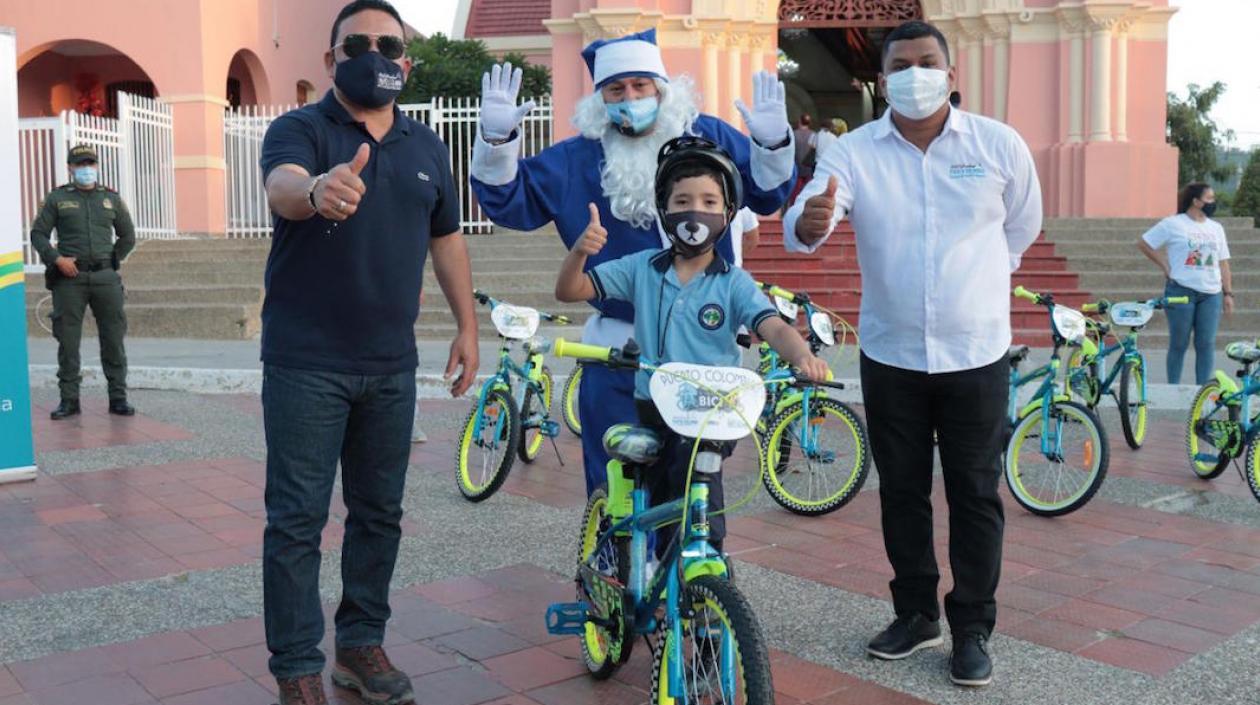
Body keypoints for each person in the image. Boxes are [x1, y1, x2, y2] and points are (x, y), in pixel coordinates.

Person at [784, 20, 1043, 687]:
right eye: (902, 64)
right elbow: (817, 208)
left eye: (928, 61)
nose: (916, 73)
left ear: (951, 73)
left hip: (976, 352)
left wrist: (981, 283)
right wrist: (807, 223)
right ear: (883, 77)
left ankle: (972, 627)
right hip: (892, 352)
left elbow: (1022, 225)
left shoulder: (997, 145)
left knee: (975, 492)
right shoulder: (856, 151)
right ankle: (916, 611)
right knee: (901, 490)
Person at [257, 2, 479, 703]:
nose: (375, 52)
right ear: (330, 59)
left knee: (379, 513)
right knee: (297, 518)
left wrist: (468, 326)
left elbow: (447, 239)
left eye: (390, 44)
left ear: (407, 62)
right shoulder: (300, 129)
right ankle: (296, 664)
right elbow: (283, 186)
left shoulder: (427, 147)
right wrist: (319, 188)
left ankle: (359, 644)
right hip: (306, 361)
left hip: (390, 364)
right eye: (358, 43)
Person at [470, 30, 795, 498]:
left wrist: (770, 144)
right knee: (615, 481)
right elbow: (508, 202)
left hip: (700, 346)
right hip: (617, 350)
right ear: (601, 98)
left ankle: (687, 568)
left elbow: (767, 196)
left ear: (662, 87)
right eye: (616, 89)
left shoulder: (710, 136)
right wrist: (497, 139)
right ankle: (613, 565)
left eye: (641, 85)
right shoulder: (577, 156)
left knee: (694, 486)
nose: (630, 98)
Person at [555, 136, 828, 556]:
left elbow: (771, 326)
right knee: (647, 497)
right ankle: (628, 566)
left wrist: (803, 356)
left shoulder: (734, 282)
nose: (695, 211)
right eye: (681, 201)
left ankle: (701, 575)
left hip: (713, 414)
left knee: (703, 503)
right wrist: (578, 253)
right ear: (663, 210)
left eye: (708, 201)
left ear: (728, 212)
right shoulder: (641, 268)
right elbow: (571, 290)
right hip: (654, 405)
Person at [28, 144, 136, 419]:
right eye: (80, 164)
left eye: (90, 164)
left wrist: (112, 261)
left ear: (96, 166)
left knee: (113, 338)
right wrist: (56, 259)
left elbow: (127, 236)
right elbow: (38, 234)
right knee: (68, 340)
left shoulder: (110, 199)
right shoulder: (57, 198)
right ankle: (69, 400)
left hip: (105, 278)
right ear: (71, 167)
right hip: (69, 279)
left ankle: (118, 398)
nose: (86, 169)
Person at [1138, 182, 1232, 384]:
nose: (1212, 203)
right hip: (1181, 290)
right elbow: (1144, 243)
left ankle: (1202, 391)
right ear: (1196, 201)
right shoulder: (1173, 224)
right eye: (1209, 198)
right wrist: (1164, 264)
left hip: (1211, 293)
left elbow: (1223, 262)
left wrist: (1228, 293)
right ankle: (1173, 388)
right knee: (1179, 343)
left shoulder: (1216, 228)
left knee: (1206, 343)